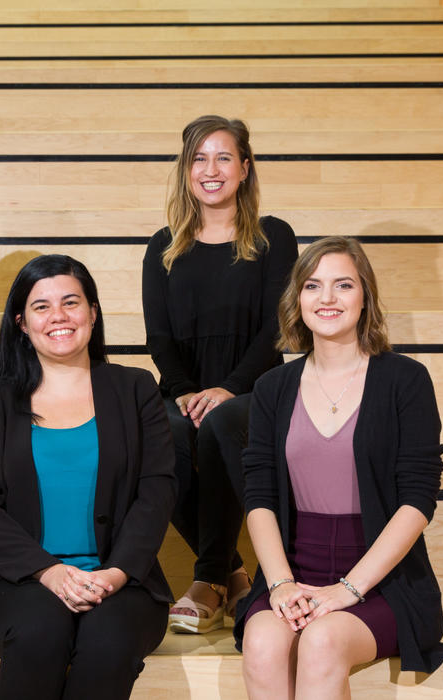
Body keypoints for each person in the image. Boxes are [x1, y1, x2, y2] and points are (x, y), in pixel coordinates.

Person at [238, 237, 443, 700]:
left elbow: (418, 498)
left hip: (382, 582)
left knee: (323, 640)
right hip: (292, 571)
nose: (328, 298)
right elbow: (258, 497)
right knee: (260, 642)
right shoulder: (272, 387)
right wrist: (279, 585)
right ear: (298, 300)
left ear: (365, 297)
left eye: (343, 285)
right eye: (313, 286)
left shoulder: (405, 380)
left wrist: (347, 590)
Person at [0, 254, 176, 700]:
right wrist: (49, 572)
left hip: (121, 581)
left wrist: (115, 574)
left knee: (108, 641)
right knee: (40, 630)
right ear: (21, 322)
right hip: (16, 583)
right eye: (41, 306)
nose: (58, 316)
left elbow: (157, 491)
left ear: (93, 312)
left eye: (71, 302)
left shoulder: (135, 388)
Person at [142, 114, 298, 634]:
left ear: (245, 168)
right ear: (186, 171)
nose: (211, 169)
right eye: (199, 159)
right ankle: (232, 572)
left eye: (223, 157)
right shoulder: (164, 245)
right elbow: (159, 338)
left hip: (255, 387)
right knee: (159, 435)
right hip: (184, 388)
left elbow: (278, 327)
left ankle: (207, 577)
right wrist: (186, 390)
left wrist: (228, 387)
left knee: (222, 422)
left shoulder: (275, 236)